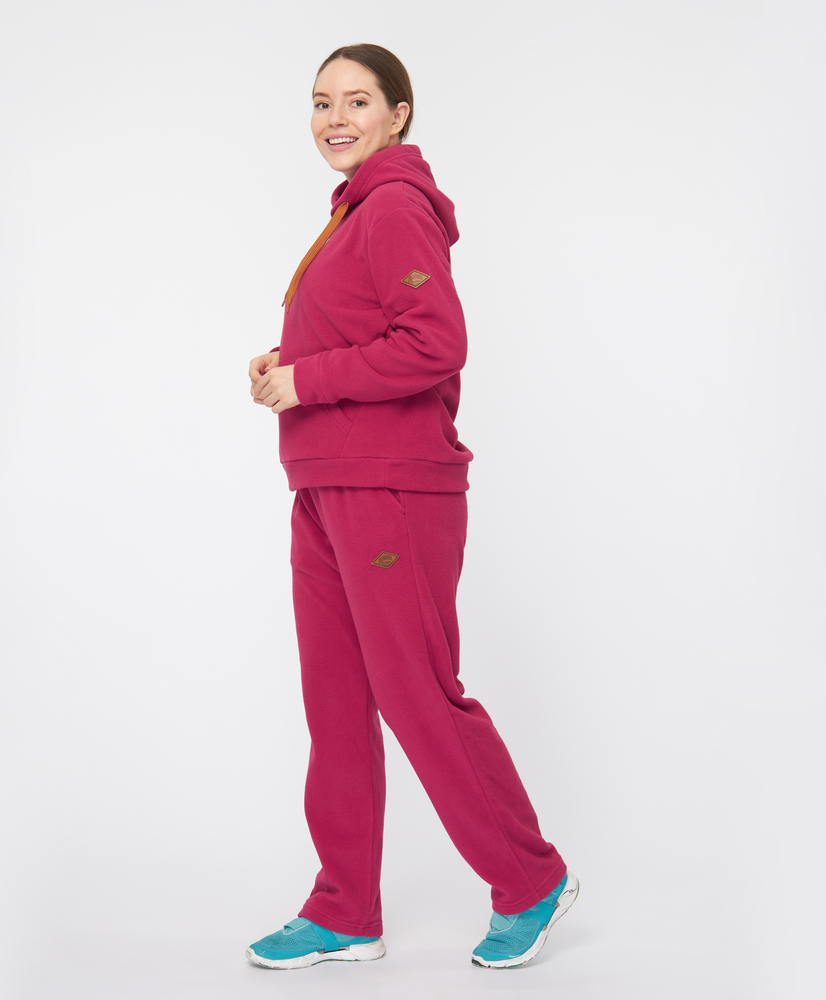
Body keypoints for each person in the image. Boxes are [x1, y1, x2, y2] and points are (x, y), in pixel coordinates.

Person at [245, 43, 578, 971]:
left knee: (415, 694)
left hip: (391, 488)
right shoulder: (353, 211)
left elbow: (435, 341)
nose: (335, 118)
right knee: (336, 704)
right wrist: (285, 365)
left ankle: (530, 878)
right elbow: (365, 335)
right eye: (321, 102)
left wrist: (309, 379)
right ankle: (344, 908)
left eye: (357, 101)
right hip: (326, 484)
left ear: (398, 114)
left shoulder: (394, 205)